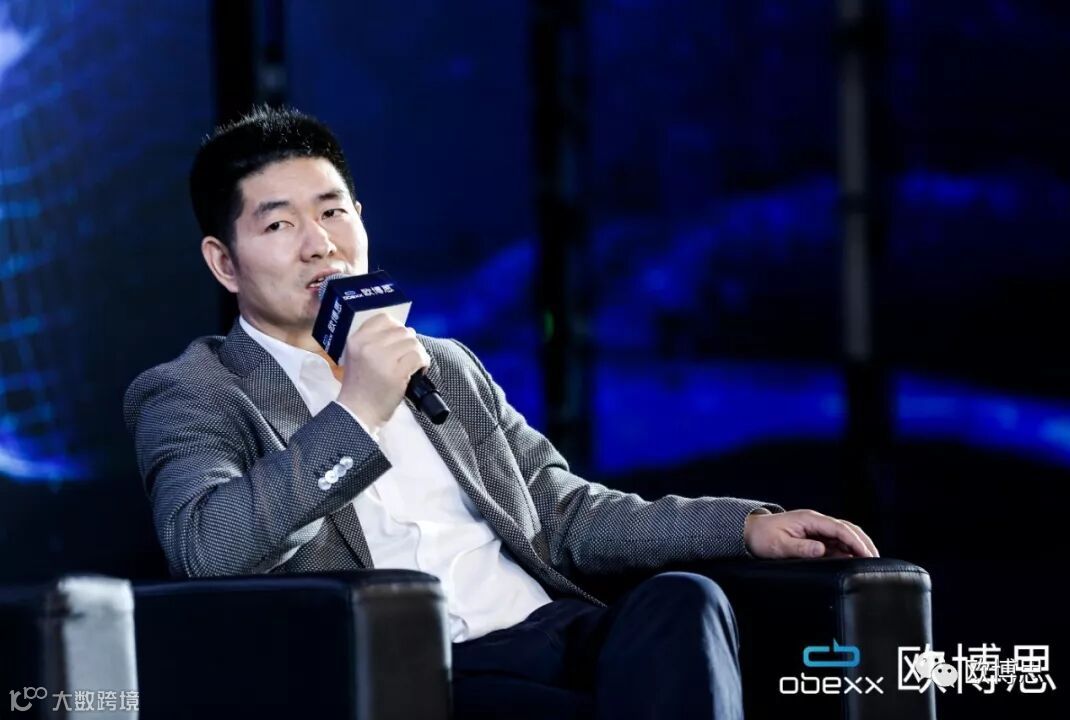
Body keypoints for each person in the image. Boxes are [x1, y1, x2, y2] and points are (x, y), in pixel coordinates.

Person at [124, 105, 879, 720]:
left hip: (551, 630)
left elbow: (563, 512)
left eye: (332, 212)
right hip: (418, 670)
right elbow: (206, 549)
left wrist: (743, 527)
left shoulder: (442, 363)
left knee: (685, 603)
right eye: (279, 225)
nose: (320, 245)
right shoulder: (194, 390)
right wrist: (358, 411)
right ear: (224, 262)